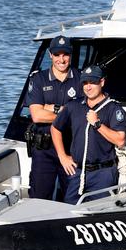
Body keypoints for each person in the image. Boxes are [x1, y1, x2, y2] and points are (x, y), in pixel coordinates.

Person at [51, 65, 126, 204]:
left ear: (102, 82)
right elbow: (55, 128)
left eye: (93, 82)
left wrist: (97, 124)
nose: (88, 87)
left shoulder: (113, 108)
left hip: (102, 174)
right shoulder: (74, 106)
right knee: (68, 211)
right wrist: (62, 156)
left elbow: (120, 140)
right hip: (77, 173)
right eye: (85, 83)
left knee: (100, 213)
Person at [24, 35, 82, 200]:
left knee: (71, 198)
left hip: (71, 147)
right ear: (50, 55)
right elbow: (37, 116)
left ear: (71, 54)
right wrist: (65, 111)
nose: (61, 59)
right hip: (44, 150)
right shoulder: (38, 79)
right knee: (39, 197)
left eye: (65, 54)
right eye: (57, 55)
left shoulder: (81, 80)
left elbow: (82, 114)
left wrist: (51, 108)